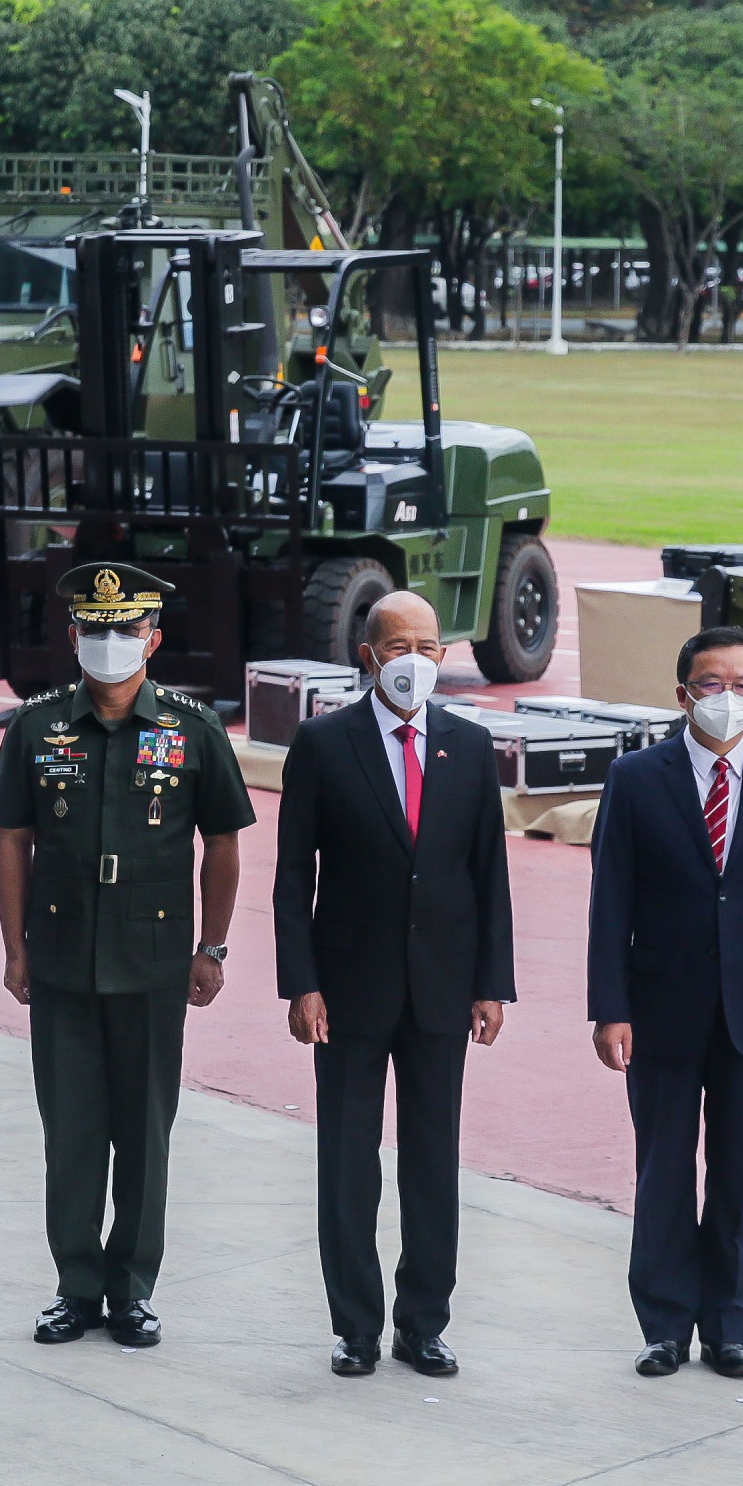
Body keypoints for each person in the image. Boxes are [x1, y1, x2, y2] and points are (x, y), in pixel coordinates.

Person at [0, 563, 252, 1350]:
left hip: (154, 961)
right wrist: (14, 947)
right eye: (95, 630)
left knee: (143, 1132)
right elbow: (12, 843)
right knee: (70, 1132)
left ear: (153, 638)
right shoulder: (36, 727)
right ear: (72, 637)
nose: (110, 644)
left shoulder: (192, 730)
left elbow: (224, 844)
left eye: (126, 630)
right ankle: (75, 1286)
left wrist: (212, 946)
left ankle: (132, 1288)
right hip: (63, 958)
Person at [267, 589, 515, 1380]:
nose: (416, 660)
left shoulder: (469, 747)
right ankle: (355, 1326)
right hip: (347, 992)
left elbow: (489, 875)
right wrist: (300, 984)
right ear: (367, 655)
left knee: (433, 1160)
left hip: (442, 988)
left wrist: (491, 984)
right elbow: (290, 877)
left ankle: (423, 1322)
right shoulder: (322, 743)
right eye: (399, 645)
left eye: (430, 646)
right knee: (347, 1160)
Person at [586, 627, 743, 1380]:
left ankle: (727, 1323)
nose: (727, 698)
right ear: (682, 691)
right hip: (660, 1006)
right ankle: (663, 1322)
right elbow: (610, 902)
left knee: (736, 1171)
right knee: (662, 1169)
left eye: (742, 684)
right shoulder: (635, 778)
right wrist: (609, 1006)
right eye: (710, 683)